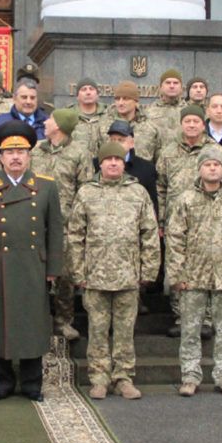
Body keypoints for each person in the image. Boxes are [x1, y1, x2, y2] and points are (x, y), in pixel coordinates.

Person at [0, 121, 63, 401]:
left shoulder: (46, 187)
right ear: (0, 157)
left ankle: (32, 383)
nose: (16, 157)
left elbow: (55, 229)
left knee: (32, 323)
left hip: (34, 265)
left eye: (21, 150)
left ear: (30, 154)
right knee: (0, 323)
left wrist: (53, 268)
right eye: (9, 152)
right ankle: (2, 382)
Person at [69, 141, 160, 400]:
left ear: (124, 163)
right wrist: (78, 272)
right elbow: (75, 235)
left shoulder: (138, 192)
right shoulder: (87, 193)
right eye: (108, 159)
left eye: (117, 160)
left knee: (124, 331)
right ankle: (99, 378)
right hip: (95, 276)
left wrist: (148, 270)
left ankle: (124, 377)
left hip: (127, 275)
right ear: (100, 163)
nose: (112, 163)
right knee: (97, 330)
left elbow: (150, 233)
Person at [167, 146, 222, 396]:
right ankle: (190, 376)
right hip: (193, 275)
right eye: (208, 164)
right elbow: (175, 238)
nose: (213, 168)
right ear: (199, 169)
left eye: (217, 164)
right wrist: (176, 274)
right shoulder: (186, 199)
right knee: (191, 328)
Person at [157, 105, 218, 339]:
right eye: (187, 121)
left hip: (206, 220)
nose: (191, 125)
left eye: (196, 121)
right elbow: (161, 187)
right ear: (181, 124)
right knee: (177, 267)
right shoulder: (168, 151)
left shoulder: (214, 150)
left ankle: (207, 319)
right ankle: (181, 317)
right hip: (175, 220)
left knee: (206, 268)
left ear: (203, 124)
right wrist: (161, 219)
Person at [30, 108, 89, 341]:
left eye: (51, 119)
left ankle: (64, 321)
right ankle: (36, 320)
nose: (46, 122)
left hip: (65, 226)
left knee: (65, 276)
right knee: (34, 274)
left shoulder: (79, 153)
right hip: (34, 223)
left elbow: (85, 190)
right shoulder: (35, 151)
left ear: (61, 126)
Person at [99, 81, 160, 163]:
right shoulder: (103, 124)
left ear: (136, 101)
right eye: (117, 99)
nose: (120, 103)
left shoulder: (150, 126)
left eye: (125, 99)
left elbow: (158, 158)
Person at [146, 69, 186, 148]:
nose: (172, 86)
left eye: (176, 83)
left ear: (181, 88)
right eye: (168, 83)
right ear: (160, 87)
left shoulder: (189, 111)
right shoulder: (149, 112)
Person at [69, 76, 105, 157]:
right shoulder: (68, 115)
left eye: (91, 89)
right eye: (83, 89)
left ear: (97, 94)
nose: (88, 92)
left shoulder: (107, 114)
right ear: (77, 96)